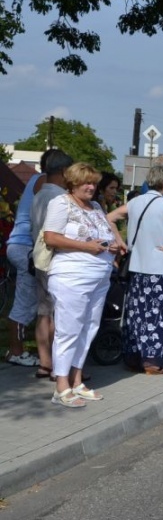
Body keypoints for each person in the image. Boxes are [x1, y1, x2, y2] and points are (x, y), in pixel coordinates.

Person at [42, 163, 125, 407]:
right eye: (86, 182)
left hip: (98, 276)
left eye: (94, 183)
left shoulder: (96, 206)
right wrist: (87, 247)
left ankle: (77, 379)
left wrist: (111, 246)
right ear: (73, 183)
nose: (91, 187)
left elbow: (99, 235)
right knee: (69, 329)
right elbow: (51, 237)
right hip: (72, 275)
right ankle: (61, 386)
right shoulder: (61, 203)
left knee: (89, 327)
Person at [108, 164, 163, 374]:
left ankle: (134, 358)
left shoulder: (134, 203)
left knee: (137, 314)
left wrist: (120, 241)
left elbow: (109, 218)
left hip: (137, 267)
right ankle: (153, 361)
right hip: (160, 268)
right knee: (158, 315)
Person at [4, 149, 58, 368]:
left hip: (21, 244)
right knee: (25, 302)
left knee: (34, 301)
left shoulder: (37, 180)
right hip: (26, 246)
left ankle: (25, 348)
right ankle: (16, 351)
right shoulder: (44, 182)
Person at [30, 150, 75, 379]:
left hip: (39, 259)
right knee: (60, 313)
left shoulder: (38, 194)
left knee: (43, 311)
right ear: (65, 172)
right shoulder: (60, 198)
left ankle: (44, 362)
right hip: (57, 259)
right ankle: (59, 366)